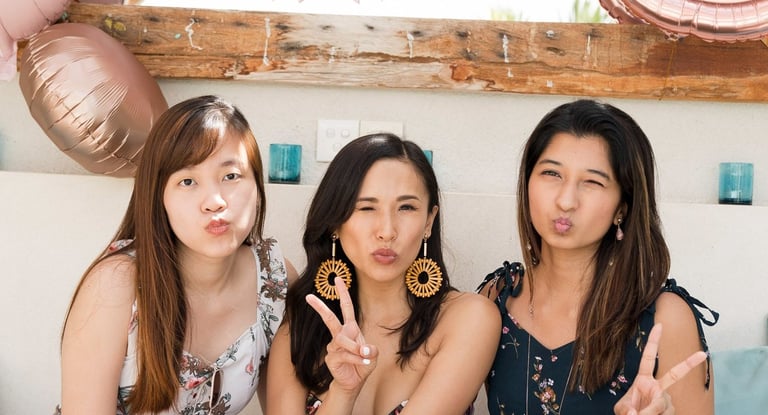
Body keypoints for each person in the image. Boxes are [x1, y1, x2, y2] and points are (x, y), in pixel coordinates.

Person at [56, 95, 297, 414]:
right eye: (187, 181)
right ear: (159, 197)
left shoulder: (274, 279)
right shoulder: (116, 284)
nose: (215, 201)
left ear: (256, 186)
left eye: (231, 176)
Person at [478, 99, 719, 414]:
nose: (566, 201)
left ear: (623, 207)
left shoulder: (665, 319)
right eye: (551, 173)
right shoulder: (497, 298)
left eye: (592, 182)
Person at [266, 133, 501, 414]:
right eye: (366, 207)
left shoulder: (469, 318)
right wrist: (343, 391)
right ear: (334, 223)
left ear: (429, 221)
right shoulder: (298, 328)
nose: (387, 231)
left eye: (406, 207)